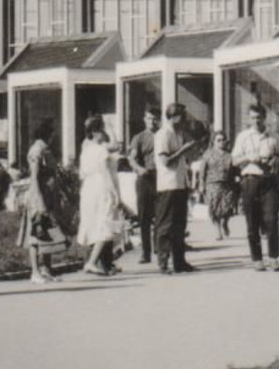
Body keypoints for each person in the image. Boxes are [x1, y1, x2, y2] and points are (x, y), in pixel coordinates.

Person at [231, 104, 279, 271]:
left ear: (264, 117)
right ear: (249, 118)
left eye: (259, 118)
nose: (256, 121)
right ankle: (257, 258)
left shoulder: (273, 137)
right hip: (250, 180)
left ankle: (274, 258)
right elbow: (234, 161)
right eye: (252, 118)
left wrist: (276, 159)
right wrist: (249, 157)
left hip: (269, 181)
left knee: (272, 220)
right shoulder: (243, 137)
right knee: (252, 221)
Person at [17, 119, 67, 285]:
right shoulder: (37, 150)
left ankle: (46, 268)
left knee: (46, 233)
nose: (54, 137)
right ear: (47, 133)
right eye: (53, 133)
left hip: (47, 196)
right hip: (38, 197)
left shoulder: (45, 149)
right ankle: (35, 271)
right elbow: (35, 177)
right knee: (35, 233)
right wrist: (38, 199)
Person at [153, 103, 201, 274]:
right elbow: (165, 161)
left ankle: (179, 262)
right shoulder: (163, 134)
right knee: (166, 225)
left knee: (180, 225)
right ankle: (163, 262)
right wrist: (183, 150)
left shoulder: (179, 134)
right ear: (173, 117)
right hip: (168, 185)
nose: (185, 120)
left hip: (180, 184)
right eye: (182, 116)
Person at [77, 114, 125, 276]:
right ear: (97, 132)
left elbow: (82, 174)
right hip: (101, 188)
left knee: (93, 223)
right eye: (102, 130)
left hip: (88, 189)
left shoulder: (86, 149)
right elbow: (106, 175)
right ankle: (91, 262)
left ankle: (98, 262)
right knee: (106, 224)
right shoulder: (100, 150)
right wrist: (116, 194)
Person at [126, 107, 161, 264]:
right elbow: (132, 158)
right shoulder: (139, 138)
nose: (151, 122)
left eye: (154, 118)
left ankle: (159, 249)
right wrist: (139, 169)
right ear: (144, 119)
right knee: (144, 217)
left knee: (160, 215)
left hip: (160, 177)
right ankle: (145, 252)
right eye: (148, 118)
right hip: (145, 177)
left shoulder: (162, 135)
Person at [202, 128, 237, 241]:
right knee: (214, 208)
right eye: (218, 140)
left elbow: (235, 169)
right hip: (212, 184)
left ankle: (225, 223)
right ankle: (218, 231)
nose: (221, 142)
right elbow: (202, 170)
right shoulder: (207, 154)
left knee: (227, 208)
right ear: (214, 141)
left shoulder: (229, 155)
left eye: (223, 140)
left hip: (227, 184)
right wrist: (201, 185)